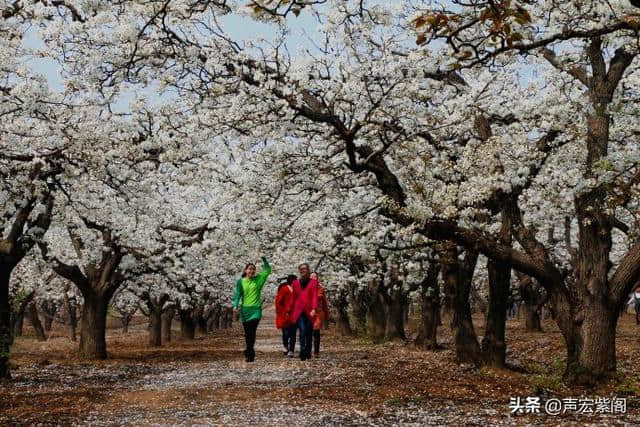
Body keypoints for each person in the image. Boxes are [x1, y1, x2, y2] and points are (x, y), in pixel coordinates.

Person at [232, 256, 272, 362]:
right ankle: (249, 350)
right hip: (245, 310)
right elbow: (237, 294)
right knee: (247, 332)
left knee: (252, 331)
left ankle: (250, 353)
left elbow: (267, 270)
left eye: (253, 269)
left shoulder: (258, 279)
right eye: (250, 268)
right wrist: (235, 305)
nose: (252, 270)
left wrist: (263, 259)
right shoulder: (240, 281)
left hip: (256, 310)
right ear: (245, 270)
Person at [291, 263, 319, 361]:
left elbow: (315, 295)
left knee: (308, 332)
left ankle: (308, 351)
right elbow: (294, 298)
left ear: (308, 270)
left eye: (305, 269)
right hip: (299, 311)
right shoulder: (295, 283)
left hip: (310, 311)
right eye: (301, 269)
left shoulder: (313, 282)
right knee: (302, 330)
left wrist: (314, 309)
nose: (303, 270)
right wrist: (291, 311)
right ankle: (303, 351)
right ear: (299, 271)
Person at [275, 274, 296, 357]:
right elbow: (278, 301)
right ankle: (285, 346)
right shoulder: (284, 289)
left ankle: (291, 350)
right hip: (285, 314)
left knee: (293, 333)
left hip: (295, 314)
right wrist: (281, 312)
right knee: (286, 333)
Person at [311, 272, 330, 357]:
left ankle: (316, 352)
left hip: (318, 313)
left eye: (315, 276)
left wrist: (327, 314)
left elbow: (324, 302)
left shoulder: (321, 288)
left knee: (316, 331)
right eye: (312, 276)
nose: (314, 278)